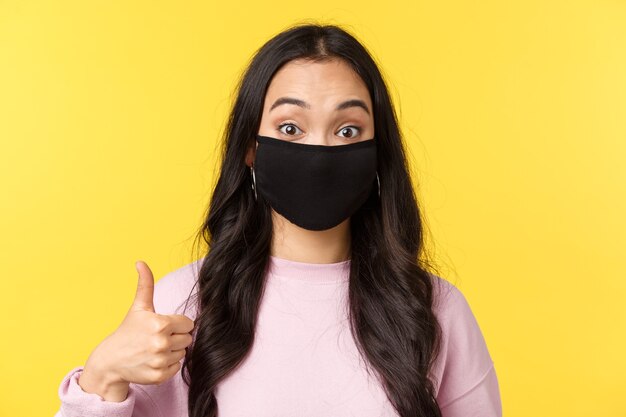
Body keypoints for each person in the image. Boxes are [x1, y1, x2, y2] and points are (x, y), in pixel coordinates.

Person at [55, 23, 502, 417]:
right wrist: (103, 375)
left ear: (378, 151)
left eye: (348, 130)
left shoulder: (436, 309)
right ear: (251, 149)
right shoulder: (182, 306)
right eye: (291, 128)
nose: (321, 152)